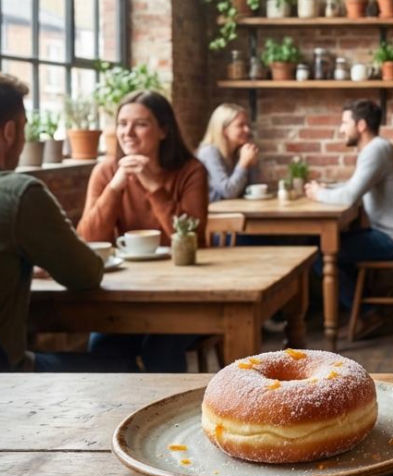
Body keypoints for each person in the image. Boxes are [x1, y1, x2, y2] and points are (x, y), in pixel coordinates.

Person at [78, 89, 209, 371]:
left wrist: (152, 187)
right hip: (126, 295)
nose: (128, 133)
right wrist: (115, 186)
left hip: (185, 296)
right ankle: (118, 414)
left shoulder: (191, 171)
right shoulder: (105, 172)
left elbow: (191, 237)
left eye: (140, 124)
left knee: (159, 350)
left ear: (163, 130)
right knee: (103, 352)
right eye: (123, 124)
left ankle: (169, 414)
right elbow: (88, 241)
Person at [0, 74, 107, 372]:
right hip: (8, 381)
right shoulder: (19, 194)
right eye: (23, 131)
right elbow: (86, 273)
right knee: (124, 366)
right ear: (9, 132)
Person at [304, 99, 393, 332]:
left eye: (345, 122)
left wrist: (318, 194)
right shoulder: (378, 148)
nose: (341, 129)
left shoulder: (375, 151)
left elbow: (349, 197)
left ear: (361, 125)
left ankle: (367, 314)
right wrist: (329, 188)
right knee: (335, 244)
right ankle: (361, 308)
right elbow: (353, 186)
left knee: (319, 254)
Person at [198, 102, 259, 202]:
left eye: (247, 125)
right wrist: (243, 164)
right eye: (240, 125)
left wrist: (251, 165)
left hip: (233, 211)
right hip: (214, 214)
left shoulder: (237, 151)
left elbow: (251, 191)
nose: (247, 130)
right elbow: (228, 192)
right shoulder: (209, 152)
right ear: (224, 130)